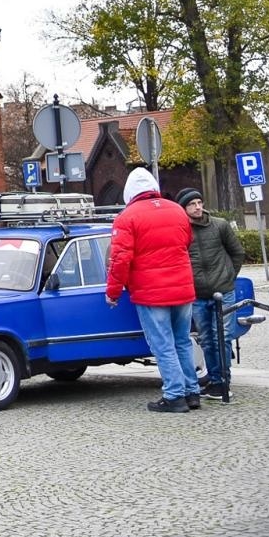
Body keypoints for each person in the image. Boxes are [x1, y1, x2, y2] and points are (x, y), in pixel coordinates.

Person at [106, 168, 197, 413]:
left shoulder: (127, 217)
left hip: (151, 292)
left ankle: (174, 395)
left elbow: (120, 259)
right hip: (182, 288)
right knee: (183, 341)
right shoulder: (177, 210)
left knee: (163, 344)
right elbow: (187, 242)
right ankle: (192, 392)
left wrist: (113, 292)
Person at [177, 187, 246, 401]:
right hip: (197, 294)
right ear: (183, 208)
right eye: (192, 204)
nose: (197, 207)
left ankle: (224, 382)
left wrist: (228, 276)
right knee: (207, 340)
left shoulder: (219, 225)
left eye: (199, 203)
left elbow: (237, 252)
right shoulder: (181, 230)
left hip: (223, 291)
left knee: (222, 337)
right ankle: (215, 382)